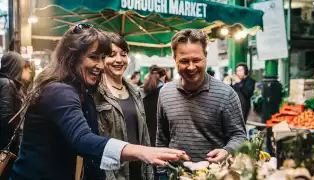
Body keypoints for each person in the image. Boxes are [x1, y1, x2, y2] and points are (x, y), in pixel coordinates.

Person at [10, 24, 185, 180]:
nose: (101, 65)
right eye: (94, 57)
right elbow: (83, 140)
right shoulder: (59, 90)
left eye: (103, 57)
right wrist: (141, 151)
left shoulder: (82, 89)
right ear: (73, 57)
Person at [156, 29, 247, 178]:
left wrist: (227, 150)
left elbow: (240, 136)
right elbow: (162, 138)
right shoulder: (165, 93)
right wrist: (161, 174)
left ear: (205, 56)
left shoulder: (226, 94)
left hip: (214, 175)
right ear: (175, 59)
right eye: (184, 61)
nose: (191, 67)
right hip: (174, 175)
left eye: (196, 60)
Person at [94, 32, 153, 180]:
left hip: (139, 170)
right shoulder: (95, 94)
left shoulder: (136, 92)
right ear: (102, 58)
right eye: (112, 55)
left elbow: (144, 136)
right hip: (111, 172)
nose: (119, 60)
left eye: (123, 54)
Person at [0, 52, 26, 155]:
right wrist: (12, 146)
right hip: (5, 146)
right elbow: (7, 118)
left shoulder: (4, 82)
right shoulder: (7, 84)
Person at [142, 65, 166, 147]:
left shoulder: (143, 89)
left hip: (147, 131)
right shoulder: (164, 91)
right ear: (163, 77)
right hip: (160, 132)